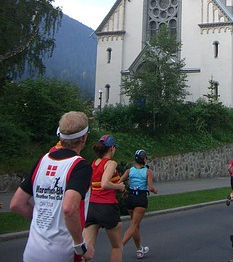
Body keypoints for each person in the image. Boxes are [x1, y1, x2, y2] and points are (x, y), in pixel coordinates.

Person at [10, 111, 94, 262]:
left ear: (60, 136)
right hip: (62, 253)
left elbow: (17, 204)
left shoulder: (42, 161)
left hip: (32, 252)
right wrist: (81, 247)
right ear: (84, 138)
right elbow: (69, 209)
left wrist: (44, 219)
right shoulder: (80, 167)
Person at [84, 134, 126, 262]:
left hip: (92, 207)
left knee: (86, 249)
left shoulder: (94, 163)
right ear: (112, 148)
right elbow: (105, 183)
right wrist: (119, 186)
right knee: (117, 246)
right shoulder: (111, 163)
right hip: (107, 207)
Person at [122, 149, 158, 259]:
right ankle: (119, 246)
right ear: (144, 159)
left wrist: (123, 190)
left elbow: (119, 181)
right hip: (140, 199)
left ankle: (139, 250)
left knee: (136, 225)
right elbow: (150, 187)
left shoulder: (129, 170)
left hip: (130, 198)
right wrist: (155, 191)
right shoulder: (148, 172)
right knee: (133, 226)